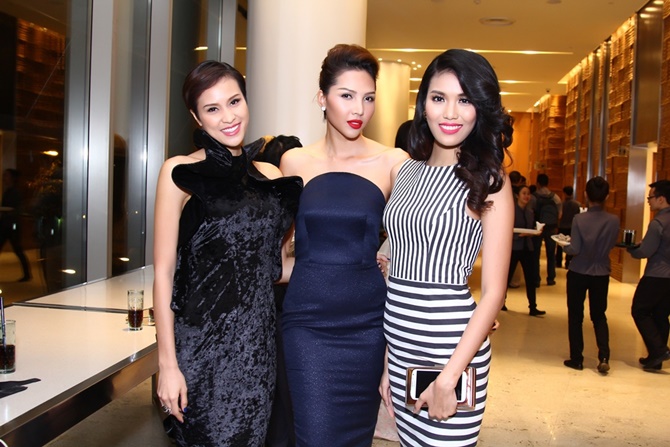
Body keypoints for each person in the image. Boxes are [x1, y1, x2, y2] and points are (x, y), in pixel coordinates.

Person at [153, 60, 302, 446]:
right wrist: (167, 365)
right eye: (212, 108)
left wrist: (350, 266)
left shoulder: (271, 177)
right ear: (196, 117)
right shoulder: (180, 173)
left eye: (234, 101)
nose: (228, 117)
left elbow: (272, 267)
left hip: (258, 350)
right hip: (201, 350)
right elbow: (164, 273)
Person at [381, 48, 514, 446]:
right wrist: (388, 362)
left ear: (480, 109)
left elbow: (494, 293)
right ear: (423, 104)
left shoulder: (489, 180)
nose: (451, 113)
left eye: (465, 100)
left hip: (452, 350)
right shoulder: (404, 171)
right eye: (439, 98)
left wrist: (449, 376)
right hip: (400, 347)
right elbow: (396, 270)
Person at [278, 43, 408, 447]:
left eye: (368, 98)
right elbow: (279, 256)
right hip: (307, 325)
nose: (359, 109)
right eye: (347, 95)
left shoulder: (394, 162)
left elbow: (414, 243)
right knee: (315, 436)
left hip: (369, 325)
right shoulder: (294, 162)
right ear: (322, 98)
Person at [561, 177, 619, 373]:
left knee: (575, 316)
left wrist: (564, 246)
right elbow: (612, 244)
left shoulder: (579, 219)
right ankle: (604, 356)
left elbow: (575, 248)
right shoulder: (614, 220)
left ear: (586, 194)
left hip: (579, 271)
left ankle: (577, 358)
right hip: (601, 272)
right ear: (607, 196)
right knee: (599, 315)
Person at [626, 179, 670, 371]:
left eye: (650, 197)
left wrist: (631, 249)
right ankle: (656, 358)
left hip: (656, 275)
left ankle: (659, 350)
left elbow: (646, 251)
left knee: (640, 310)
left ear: (661, 199)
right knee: (661, 314)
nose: (648, 201)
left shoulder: (658, 223)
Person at [506, 184, 545, 315]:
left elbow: (531, 229)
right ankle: (501, 303)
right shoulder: (512, 211)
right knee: (507, 276)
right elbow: (506, 230)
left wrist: (535, 232)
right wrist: (519, 235)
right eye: (524, 193)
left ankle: (533, 307)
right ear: (517, 195)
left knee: (530, 278)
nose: (527, 196)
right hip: (514, 247)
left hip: (527, 247)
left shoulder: (530, 212)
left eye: (528, 194)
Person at [0, 168, 32, 282]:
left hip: (11, 225)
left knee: (18, 250)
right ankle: (27, 274)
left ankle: (27, 274)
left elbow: (17, 209)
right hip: (7, 225)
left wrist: (7, 211)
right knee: (18, 250)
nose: (4, 178)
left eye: (6, 176)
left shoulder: (14, 193)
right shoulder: (8, 191)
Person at [533, 173, 561, 286]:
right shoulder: (555, 197)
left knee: (536, 254)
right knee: (551, 254)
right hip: (551, 227)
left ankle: (536, 279)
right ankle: (551, 278)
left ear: (538, 183)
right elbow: (560, 214)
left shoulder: (534, 197)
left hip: (538, 228)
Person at [556, 185, 581, 269]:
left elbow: (558, 216)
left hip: (562, 226)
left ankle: (558, 262)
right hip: (571, 227)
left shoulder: (561, 204)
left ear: (564, 193)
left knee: (560, 245)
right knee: (570, 244)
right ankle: (568, 263)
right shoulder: (577, 204)